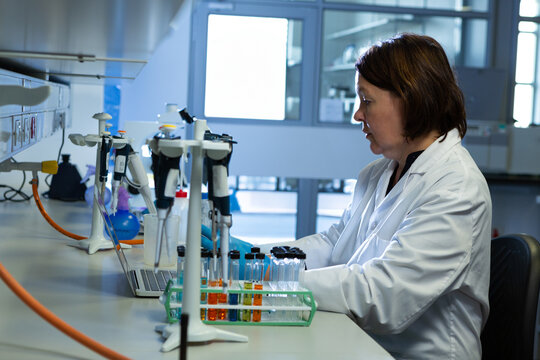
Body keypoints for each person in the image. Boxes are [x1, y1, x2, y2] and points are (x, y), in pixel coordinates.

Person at [202, 32, 491, 359]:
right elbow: (333, 245)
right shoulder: (379, 172)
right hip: (360, 344)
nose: (357, 114)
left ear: (410, 98)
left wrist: (273, 282)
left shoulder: (456, 187)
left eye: (366, 101)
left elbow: (382, 294)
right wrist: (256, 258)